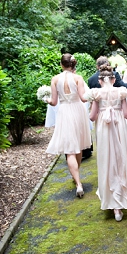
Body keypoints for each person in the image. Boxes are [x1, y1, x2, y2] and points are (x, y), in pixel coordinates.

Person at [88, 64, 127, 222]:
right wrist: (126, 115)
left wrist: (99, 108)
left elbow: (92, 117)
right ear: (113, 79)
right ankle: (119, 204)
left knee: (107, 162)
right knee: (120, 161)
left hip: (104, 131)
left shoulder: (96, 94)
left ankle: (112, 202)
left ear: (100, 80)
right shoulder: (121, 92)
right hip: (119, 130)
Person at [45, 53, 93, 198]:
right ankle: (77, 178)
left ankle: (77, 182)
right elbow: (84, 99)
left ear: (61, 64)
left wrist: (46, 99)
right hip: (78, 110)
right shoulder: (78, 78)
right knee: (77, 145)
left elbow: (54, 102)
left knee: (70, 150)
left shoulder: (55, 79)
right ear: (73, 64)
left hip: (65, 111)